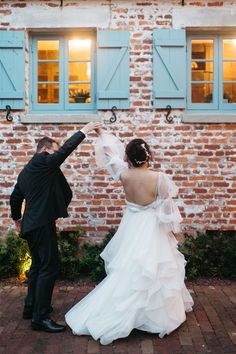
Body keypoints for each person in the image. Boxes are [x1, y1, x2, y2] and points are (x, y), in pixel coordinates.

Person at [65, 128, 194, 345]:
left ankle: (126, 313)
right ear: (148, 156)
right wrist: (173, 234)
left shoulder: (123, 173)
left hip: (132, 226)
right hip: (152, 228)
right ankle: (153, 318)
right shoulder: (159, 178)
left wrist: (102, 133)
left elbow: (108, 154)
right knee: (153, 270)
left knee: (129, 268)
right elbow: (166, 212)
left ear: (128, 157)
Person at [10, 121, 102, 333]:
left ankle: (31, 307)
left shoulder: (26, 171)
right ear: (44, 150)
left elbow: (15, 197)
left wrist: (17, 220)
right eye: (54, 150)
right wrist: (84, 131)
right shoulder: (43, 161)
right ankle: (40, 318)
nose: (56, 154)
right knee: (49, 268)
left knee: (37, 267)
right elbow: (65, 152)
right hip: (41, 224)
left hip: (31, 225)